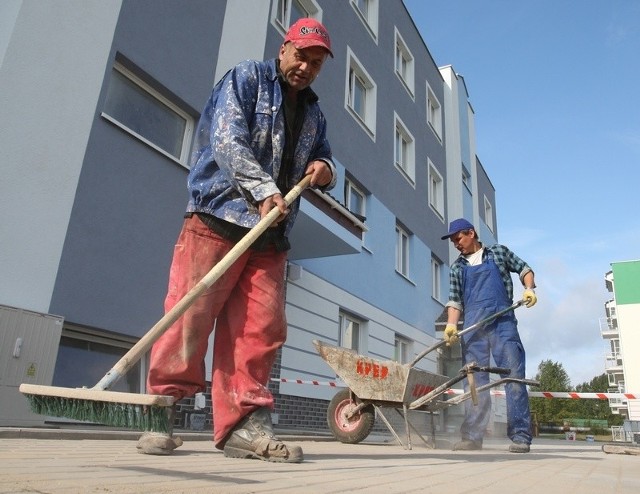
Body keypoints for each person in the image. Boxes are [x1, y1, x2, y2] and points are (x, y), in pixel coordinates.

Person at [136, 18, 336, 463]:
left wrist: (325, 168)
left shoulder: (315, 114)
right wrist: (264, 191)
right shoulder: (247, 77)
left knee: (260, 329)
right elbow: (227, 140)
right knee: (189, 317)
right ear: (284, 49)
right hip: (217, 217)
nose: (306, 67)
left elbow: (321, 153)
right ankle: (161, 413)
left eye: (317, 63)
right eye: (301, 55)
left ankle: (245, 426)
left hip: (271, 237)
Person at [441, 218, 537, 453]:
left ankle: (520, 436)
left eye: (458, 239)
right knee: (474, 382)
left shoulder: (499, 253)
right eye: (453, 241)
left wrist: (529, 288)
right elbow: (455, 301)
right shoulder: (457, 268)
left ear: (471, 233)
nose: (456, 244)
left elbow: (525, 269)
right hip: (474, 328)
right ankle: (473, 437)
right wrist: (451, 325)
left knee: (513, 378)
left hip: (503, 323)